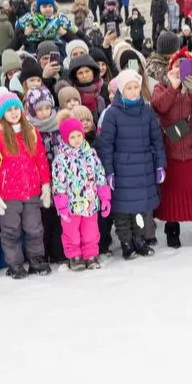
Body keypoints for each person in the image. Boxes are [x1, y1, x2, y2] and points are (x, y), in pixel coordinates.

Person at [0, 92, 51, 279]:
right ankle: (15, 264)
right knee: (10, 231)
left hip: (31, 192)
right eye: (9, 110)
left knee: (34, 229)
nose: (13, 113)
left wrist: (45, 184)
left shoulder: (31, 132)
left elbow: (41, 159)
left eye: (16, 109)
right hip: (9, 195)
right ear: (2, 113)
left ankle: (36, 259)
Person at [96, 70, 164, 259]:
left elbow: (157, 140)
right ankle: (126, 242)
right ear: (121, 90)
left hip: (143, 168)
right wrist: (109, 172)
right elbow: (106, 145)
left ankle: (139, 239)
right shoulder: (112, 114)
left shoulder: (147, 111)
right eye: (129, 88)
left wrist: (160, 165)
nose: (133, 91)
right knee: (122, 210)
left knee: (140, 208)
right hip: (122, 169)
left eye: (136, 87)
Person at [150, 50, 192, 247]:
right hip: (171, 148)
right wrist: (173, 87)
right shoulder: (161, 86)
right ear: (170, 68)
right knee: (172, 194)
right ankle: (172, 230)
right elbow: (159, 107)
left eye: (186, 66)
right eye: (177, 66)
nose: (180, 69)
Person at [51, 116, 110, 270]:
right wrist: (61, 204)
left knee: (90, 231)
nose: (77, 139)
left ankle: (91, 254)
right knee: (71, 232)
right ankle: (75, 256)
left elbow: (100, 174)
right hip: (71, 205)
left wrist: (104, 197)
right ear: (65, 138)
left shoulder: (91, 154)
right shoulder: (61, 159)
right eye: (72, 137)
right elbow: (58, 182)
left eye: (79, 135)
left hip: (90, 202)